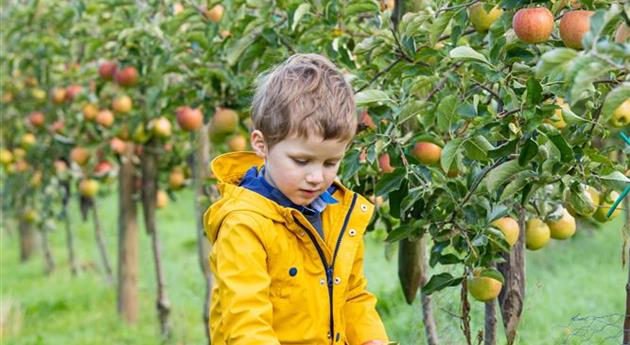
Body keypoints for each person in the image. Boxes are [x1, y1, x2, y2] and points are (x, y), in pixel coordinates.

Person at [203, 53, 389, 345]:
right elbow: (246, 322)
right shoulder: (244, 225)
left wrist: (369, 338)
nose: (316, 177)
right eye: (301, 161)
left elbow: (351, 293)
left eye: (330, 163)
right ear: (262, 145)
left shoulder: (337, 212)